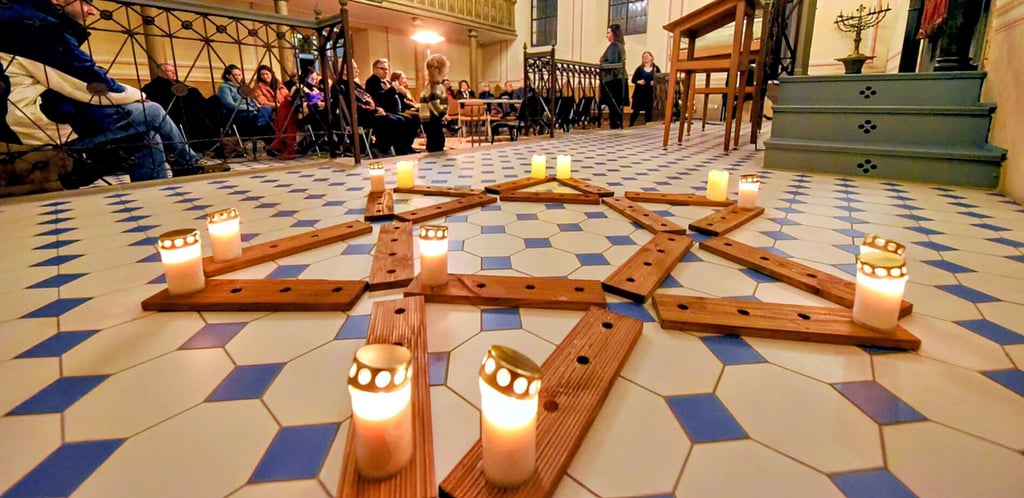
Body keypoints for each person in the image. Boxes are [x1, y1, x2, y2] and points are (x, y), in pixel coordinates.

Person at [0, 0, 223, 184]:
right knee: (152, 111)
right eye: (86, 2)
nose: (92, 10)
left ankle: (154, 196)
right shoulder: (40, 28)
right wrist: (138, 96)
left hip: (43, 112)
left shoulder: (29, 21)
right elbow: (85, 78)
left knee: (147, 138)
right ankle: (188, 166)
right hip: (31, 120)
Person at [334, 60, 416, 156]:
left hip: (371, 112)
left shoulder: (355, 84)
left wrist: (377, 107)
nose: (358, 71)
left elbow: (369, 97)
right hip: (360, 116)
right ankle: (381, 147)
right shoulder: (342, 86)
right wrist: (374, 109)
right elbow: (352, 105)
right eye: (355, 68)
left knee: (402, 119)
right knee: (393, 121)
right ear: (344, 70)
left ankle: (400, 147)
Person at [142, 62, 220, 151]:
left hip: (194, 111)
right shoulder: (153, 86)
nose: (174, 72)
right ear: (160, 73)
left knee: (215, 101)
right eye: (170, 71)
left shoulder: (180, 84)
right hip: (176, 114)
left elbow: (194, 94)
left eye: (174, 70)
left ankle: (215, 141)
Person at [252, 64, 298, 159]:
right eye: (262, 74)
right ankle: (281, 146)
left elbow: (287, 97)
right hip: (273, 110)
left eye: (267, 74)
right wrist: (278, 105)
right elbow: (263, 102)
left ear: (271, 74)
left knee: (290, 114)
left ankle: (285, 146)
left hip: (283, 109)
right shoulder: (258, 87)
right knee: (283, 117)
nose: (265, 76)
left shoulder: (280, 85)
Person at [599, 23, 628, 129]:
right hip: (619, 78)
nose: (607, 35)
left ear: (613, 33)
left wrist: (601, 64)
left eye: (608, 32)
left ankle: (615, 127)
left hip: (613, 79)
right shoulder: (620, 45)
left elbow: (612, 62)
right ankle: (616, 126)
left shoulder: (614, 45)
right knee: (616, 105)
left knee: (613, 105)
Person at [419, 54, 449, 153]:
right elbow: (434, 103)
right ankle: (436, 163)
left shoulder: (429, 85)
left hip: (428, 118)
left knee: (432, 140)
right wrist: (443, 115)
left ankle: (432, 161)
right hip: (433, 118)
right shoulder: (436, 85)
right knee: (438, 142)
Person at [629, 51, 660, 127]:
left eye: (647, 56)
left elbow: (660, 80)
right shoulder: (639, 68)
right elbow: (633, 80)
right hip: (639, 94)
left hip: (650, 94)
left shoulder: (656, 68)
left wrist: (655, 82)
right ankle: (630, 125)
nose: (645, 57)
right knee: (636, 111)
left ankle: (647, 126)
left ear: (651, 57)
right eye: (643, 56)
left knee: (649, 111)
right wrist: (639, 82)